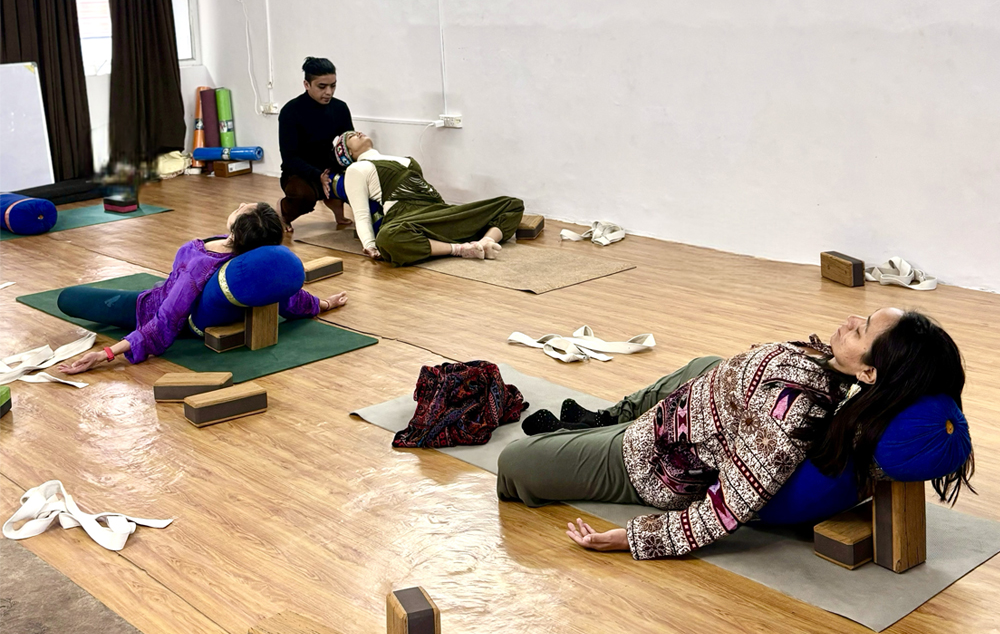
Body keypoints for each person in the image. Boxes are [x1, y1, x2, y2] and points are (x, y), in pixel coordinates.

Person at [496, 309, 975, 560]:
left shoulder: (790, 418)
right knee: (705, 364)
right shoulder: (846, 376)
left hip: (655, 459)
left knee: (516, 464)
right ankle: (604, 418)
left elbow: (725, 509)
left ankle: (606, 428)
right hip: (695, 407)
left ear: (870, 372)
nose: (851, 320)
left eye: (861, 330)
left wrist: (634, 539)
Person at [56, 203, 348, 374]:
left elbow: (165, 320)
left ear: (236, 230)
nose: (238, 204)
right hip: (168, 293)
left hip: (151, 307)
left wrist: (106, 354)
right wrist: (322, 304)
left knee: (68, 298)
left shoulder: (204, 265)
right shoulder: (244, 255)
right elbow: (286, 297)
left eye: (240, 209)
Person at [332, 130, 524, 266]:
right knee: (388, 239)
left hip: (439, 211)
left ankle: (484, 242)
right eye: (350, 137)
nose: (357, 133)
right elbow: (361, 213)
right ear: (348, 153)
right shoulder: (355, 169)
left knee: (512, 204)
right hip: (407, 218)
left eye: (355, 132)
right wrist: (370, 245)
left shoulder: (403, 158)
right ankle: (460, 249)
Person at [278, 57, 355, 232]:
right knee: (303, 197)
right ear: (307, 84)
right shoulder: (290, 111)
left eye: (333, 86)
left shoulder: (340, 108)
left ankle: (337, 209)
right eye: (322, 86)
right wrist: (317, 175)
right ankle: (283, 211)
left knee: (361, 180)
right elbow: (289, 157)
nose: (329, 92)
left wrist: (357, 145)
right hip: (299, 171)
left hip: (328, 165)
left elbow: (347, 143)